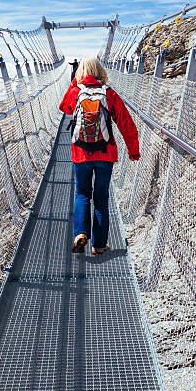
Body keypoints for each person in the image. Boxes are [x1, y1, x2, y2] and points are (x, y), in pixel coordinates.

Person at [59, 57, 140, 255]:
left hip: (80, 153)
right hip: (105, 154)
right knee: (101, 198)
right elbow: (127, 125)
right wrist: (133, 151)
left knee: (82, 194)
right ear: (100, 71)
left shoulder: (76, 92)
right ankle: (99, 244)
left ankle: (80, 233)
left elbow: (64, 108)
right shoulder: (109, 93)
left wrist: (74, 82)